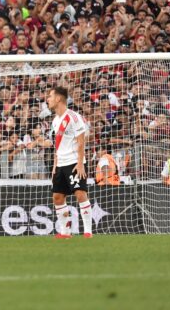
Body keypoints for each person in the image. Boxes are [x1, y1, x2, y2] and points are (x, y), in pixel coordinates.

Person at [47, 86, 93, 239]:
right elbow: (57, 145)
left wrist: (80, 163)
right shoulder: (55, 121)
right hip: (60, 164)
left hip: (74, 162)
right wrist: (55, 164)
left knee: (80, 194)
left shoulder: (73, 117)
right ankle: (66, 232)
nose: (48, 99)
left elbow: (81, 141)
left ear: (58, 99)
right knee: (58, 197)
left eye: (50, 96)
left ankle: (87, 231)